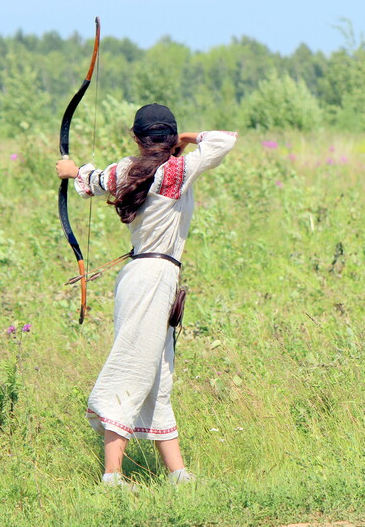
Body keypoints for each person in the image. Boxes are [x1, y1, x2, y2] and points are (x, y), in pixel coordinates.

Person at [56, 103, 238, 486]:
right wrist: (186, 139)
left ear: (137, 138)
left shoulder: (128, 169)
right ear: (169, 138)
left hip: (144, 276)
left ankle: (178, 474)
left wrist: (71, 171)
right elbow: (224, 140)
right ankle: (112, 475)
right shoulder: (177, 170)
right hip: (153, 276)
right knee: (133, 367)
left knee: (157, 374)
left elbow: (91, 179)